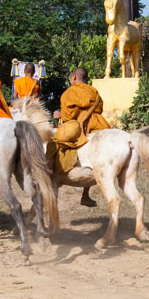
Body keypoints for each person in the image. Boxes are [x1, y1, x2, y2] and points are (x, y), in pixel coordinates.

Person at [51, 67, 110, 207]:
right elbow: (99, 107)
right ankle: (85, 194)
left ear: (74, 78)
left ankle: (54, 177)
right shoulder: (93, 91)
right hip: (100, 124)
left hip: (80, 127)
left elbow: (68, 116)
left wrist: (59, 116)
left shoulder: (69, 93)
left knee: (55, 146)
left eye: (71, 78)